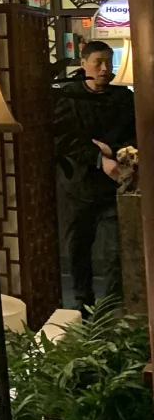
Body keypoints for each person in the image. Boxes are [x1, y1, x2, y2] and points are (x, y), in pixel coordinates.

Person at [52, 40, 135, 313]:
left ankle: (110, 310)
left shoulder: (123, 98)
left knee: (114, 252)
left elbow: (136, 135)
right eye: (98, 62)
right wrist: (99, 159)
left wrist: (111, 151)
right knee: (79, 250)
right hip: (79, 187)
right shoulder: (69, 97)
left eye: (108, 62)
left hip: (114, 187)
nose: (104, 69)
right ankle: (82, 306)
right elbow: (65, 140)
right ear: (83, 63)